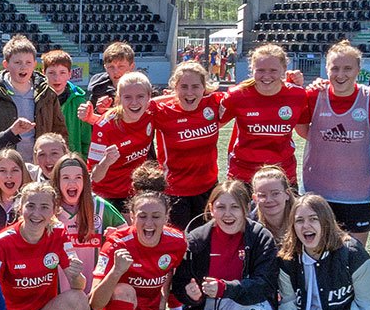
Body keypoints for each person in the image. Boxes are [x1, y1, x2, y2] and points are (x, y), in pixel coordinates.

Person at [171, 181, 279, 310]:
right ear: (211, 209)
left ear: (247, 208)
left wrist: (226, 288)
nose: (227, 214)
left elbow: (264, 285)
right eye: (221, 207)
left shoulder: (260, 237)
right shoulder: (197, 238)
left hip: (243, 304)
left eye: (235, 207)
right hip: (206, 308)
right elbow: (180, 283)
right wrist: (189, 293)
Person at [88, 174, 189, 310]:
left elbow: (169, 271)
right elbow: (95, 302)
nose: (149, 223)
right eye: (142, 216)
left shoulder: (177, 241)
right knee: (124, 291)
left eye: (156, 216)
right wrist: (116, 271)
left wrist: (163, 308)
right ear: (132, 217)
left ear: (166, 217)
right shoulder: (116, 243)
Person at [298, 42, 370, 245]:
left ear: (358, 70)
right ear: (326, 69)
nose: (340, 74)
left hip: (359, 194)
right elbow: (302, 128)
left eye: (347, 68)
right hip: (317, 191)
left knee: (354, 257)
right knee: (315, 253)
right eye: (334, 68)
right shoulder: (313, 95)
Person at [149, 62, 225, 230]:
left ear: (204, 88)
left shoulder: (213, 103)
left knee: (207, 244)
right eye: (183, 87)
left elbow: (244, 91)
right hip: (174, 193)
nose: (189, 93)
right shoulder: (162, 111)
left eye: (195, 86)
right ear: (175, 87)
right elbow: (137, 105)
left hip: (209, 189)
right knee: (178, 245)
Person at [222, 44, 309, 185]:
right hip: (243, 174)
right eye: (260, 70)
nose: (266, 76)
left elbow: (305, 131)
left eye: (273, 70)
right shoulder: (237, 95)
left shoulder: (298, 95)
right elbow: (213, 124)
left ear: (284, 69)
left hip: (283, 175)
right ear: (251, 70)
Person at [51, 152, 125, 297]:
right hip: (57, 297)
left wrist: (115, 239)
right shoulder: (48, 209)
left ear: (85, 180)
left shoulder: (101, 207)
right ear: (56, 181)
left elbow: (128, 239)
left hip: (96, 294)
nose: (72, 183)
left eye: (78, 178)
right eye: (66, 178)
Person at [85, 71, 155, 211]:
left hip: (137, 191)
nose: (134, 102)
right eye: (127, 97)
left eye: (140, 96)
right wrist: (106, 162)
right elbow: (95, 177)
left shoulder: (151, 111)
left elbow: (178, 97)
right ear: (118, 98)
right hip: (108, 196)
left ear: (149, 97)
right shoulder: (104, 126)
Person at [0, 33, 44, 159]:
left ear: (34, 64)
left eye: (28, 62)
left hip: (39, 169)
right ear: (6, 65)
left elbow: (59, 132)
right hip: (5, 170)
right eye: (17, 62)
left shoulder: (46, 95)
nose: (23, 67)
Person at [36, 49, 91, 155]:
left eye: (62, 73)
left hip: (71, 163)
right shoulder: (36, 100)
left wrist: (82, 162)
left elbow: (87, 139)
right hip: (43, 160)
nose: (57, 78)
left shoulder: (79, 103)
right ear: (43, 73)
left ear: (70, 74)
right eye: (51, 73)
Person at [250, 165, 295, 246]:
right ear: (255, 198)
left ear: (287, 194)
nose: (269, 200)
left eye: (275, 193)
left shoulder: (301, 218)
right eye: (262, 195)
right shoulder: (249, 226)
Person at [87, 41, 136, 109]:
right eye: (111, 67)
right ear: (105, 68)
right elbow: (90, 117)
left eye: (121, 66)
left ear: (132, 67)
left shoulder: (143, 89)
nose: (115, 71)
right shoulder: (98, 89)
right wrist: (99, 110)